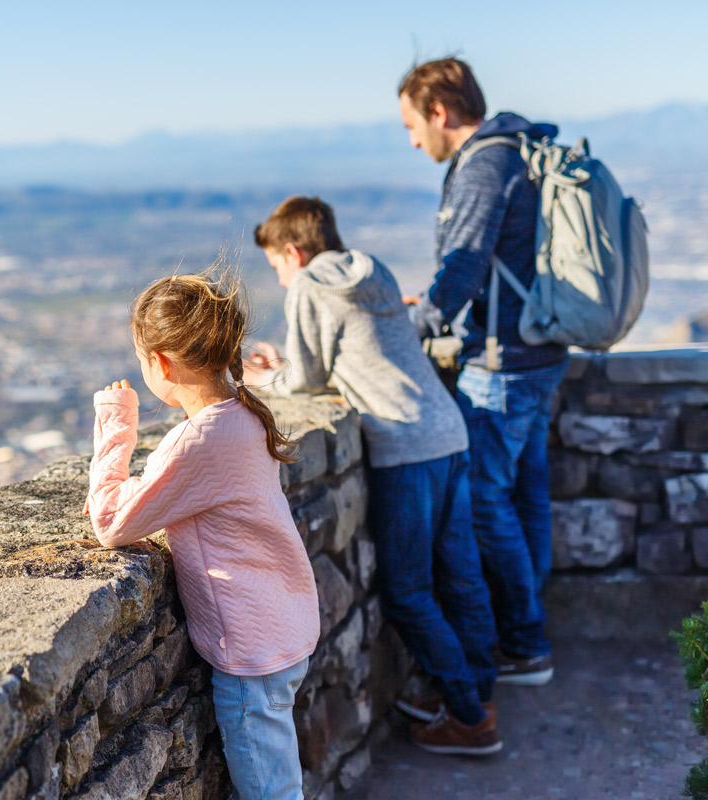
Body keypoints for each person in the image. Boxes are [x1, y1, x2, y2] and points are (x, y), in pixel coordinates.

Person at [243, 196, 501, 756]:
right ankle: (480, 696)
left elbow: (308, 381)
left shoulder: (312, 283)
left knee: (408, 591)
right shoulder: (372, 266)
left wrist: (262, 379)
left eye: (277, 267)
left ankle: (470, 719)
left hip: (405, 446)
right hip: (447, 431)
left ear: (293, 251)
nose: (283, 281)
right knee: (461, 575)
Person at [87, 270, 319, 800]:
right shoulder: (242, 414)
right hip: (283, 629)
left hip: (251, 653)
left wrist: (115, 423)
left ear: (161, 362)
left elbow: (110, 524)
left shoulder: (197, 441)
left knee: (271, 792)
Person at [397, 58, 567, 685]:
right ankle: (531, 632)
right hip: (540, 350)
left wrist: (410, 330)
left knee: (485, 503)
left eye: (413, 125)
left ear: (440, 113)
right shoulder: (522, 148)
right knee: (526, 494)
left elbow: (463, 271)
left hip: (501, 363)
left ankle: (524, 643)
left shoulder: (485, 162)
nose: (414, 139)